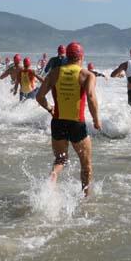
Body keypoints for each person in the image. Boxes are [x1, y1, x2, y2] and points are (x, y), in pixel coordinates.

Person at [36, 42, 101, 197]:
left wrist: (50, 109)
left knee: (60, 160)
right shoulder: (87, 75)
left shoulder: (54, 73)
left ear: (67, 56)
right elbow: (91, 98)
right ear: (81, 57)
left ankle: (53, 175)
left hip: (58, 122)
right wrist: (96, 120)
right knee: (86, 165)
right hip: (77, 124)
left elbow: (39, 97)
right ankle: (86, 198)